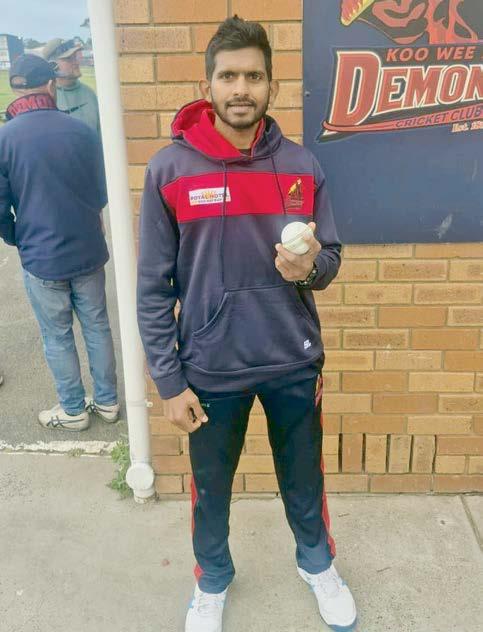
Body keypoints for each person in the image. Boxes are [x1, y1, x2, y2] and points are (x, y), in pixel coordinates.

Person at [137, 16, 357, 632]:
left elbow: (331, 258)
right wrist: (169, 382)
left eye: (254, 77)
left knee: (304, 481)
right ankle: (211, 582)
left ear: (271, 86)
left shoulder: (301, 165)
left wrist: (310, 268)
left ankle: (317, 566)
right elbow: (152, 287)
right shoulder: (170, 171)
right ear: (207, 85)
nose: (241, 89)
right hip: (210, 367)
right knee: (211, 489)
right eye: (229, 76)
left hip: (292, 359)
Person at [0, 54, 118, 431]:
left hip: (41, 256)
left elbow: (1, 207)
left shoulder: (5, 138)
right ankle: (108, 401)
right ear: (50, 85)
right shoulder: (81, 131)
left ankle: (73, 410)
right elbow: (102, 191)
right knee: (97, 327)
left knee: (57, 336)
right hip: (87, 250)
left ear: (14, 88)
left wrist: (16, 237)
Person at [42, 38, 101, 135]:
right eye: (68, 59)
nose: (76, 62)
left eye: (75, 57)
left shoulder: (90, 94)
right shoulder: (45, 99)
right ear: (52, 66)